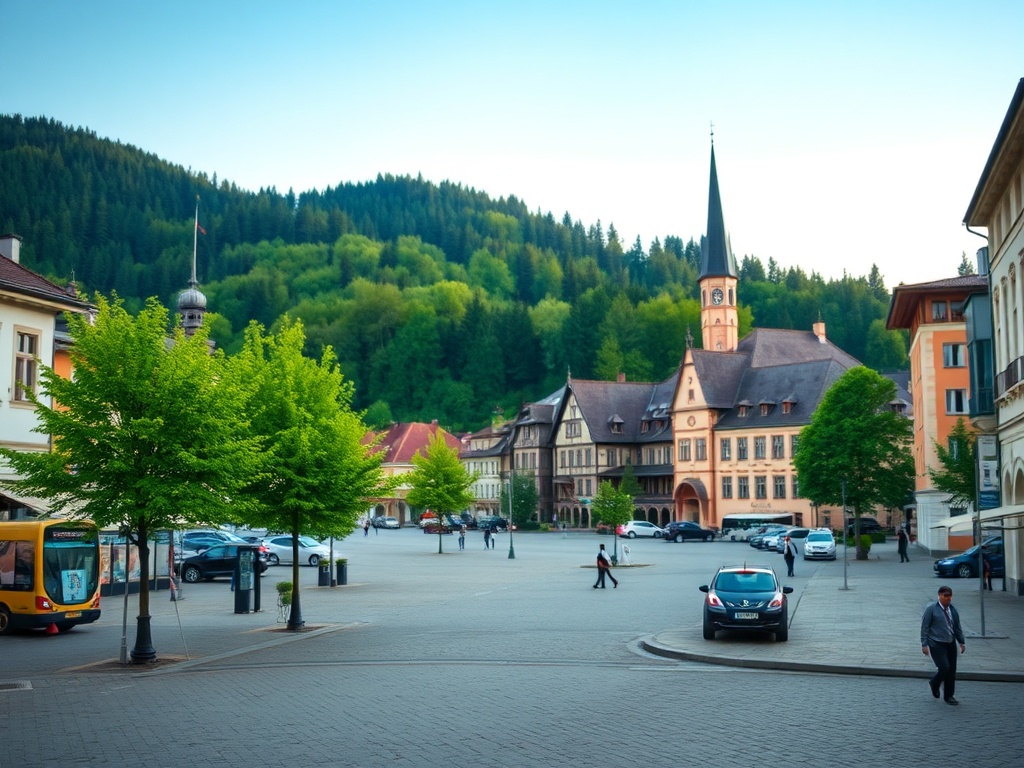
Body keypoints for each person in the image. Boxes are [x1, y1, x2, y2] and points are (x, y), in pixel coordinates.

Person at [921, 585, 966, 705]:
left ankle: (949, 696)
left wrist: (961, 642)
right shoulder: (931, 609)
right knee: (944, 667)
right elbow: (925, 627)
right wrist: (924, 644)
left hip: (950, 642)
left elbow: (957, 627)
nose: (948, 598)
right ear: (939, 595)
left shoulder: (953, 610)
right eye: (946, 596)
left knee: (951, 669)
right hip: (936, 643)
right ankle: (934, 683)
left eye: (950, 596)